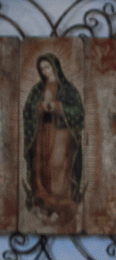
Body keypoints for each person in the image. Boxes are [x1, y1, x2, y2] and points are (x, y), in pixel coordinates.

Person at [23, 52, 85, 227]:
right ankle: (42, 199)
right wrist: (38, 108)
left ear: (55, 67)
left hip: (61, 134)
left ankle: (61, 202)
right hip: (41, 132)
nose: (45, 71)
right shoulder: (36, 90)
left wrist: (57, 107)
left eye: (47, 67)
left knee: (58, 165)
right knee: (41, 164)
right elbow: (27, 110)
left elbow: (79, 112)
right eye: (42, 68)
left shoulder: (68, 89)